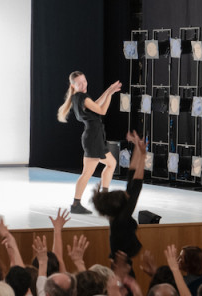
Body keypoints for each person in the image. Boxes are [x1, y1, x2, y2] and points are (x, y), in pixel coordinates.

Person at [57, 71, 121, 214]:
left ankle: (104, 197)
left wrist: (107, 91)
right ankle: (76, 204)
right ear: (73, 85)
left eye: (84, 81)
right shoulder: (82, 97)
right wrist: (110, 94)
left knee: (111, 164)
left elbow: (96, 104)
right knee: (87, 173)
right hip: (93, 139)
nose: (83, 84)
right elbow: (102, 110)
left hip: (95, 137)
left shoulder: (77, 97)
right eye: (79, 83)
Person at [91, 130, 146, 259]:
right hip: (121, 265)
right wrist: (143, 155)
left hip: (121, 262)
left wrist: (137, 148)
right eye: (126, 196)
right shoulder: (121, 220)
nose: (128, 195)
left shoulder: (117, 217)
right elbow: (136, 186)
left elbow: (131, 176)